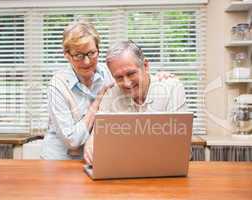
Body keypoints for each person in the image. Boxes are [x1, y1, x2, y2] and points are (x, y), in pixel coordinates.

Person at [84, 40, 188, 164]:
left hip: (164, 166)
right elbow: (96, 137)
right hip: (123, 167)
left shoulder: (172, 88)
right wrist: (90, 146)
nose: (127, 83)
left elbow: (178, 145)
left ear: (145, 66)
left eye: (131, 73)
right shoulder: (111, 95)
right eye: (118, 77)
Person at [41, 20, 113, 160]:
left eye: (91, 53)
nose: (87, 62)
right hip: (60, 161)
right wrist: (97, 103)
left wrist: (160, 77)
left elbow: (134, 76)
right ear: (67, 55)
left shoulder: (108, 73)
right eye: (79, 56)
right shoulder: (57, 85)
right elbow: (72, 141)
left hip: (95, 158)